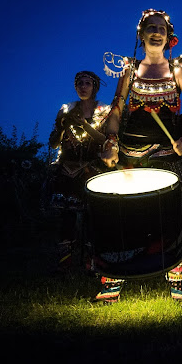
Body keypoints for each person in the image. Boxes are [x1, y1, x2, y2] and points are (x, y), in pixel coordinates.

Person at [96, 9, 182, 304]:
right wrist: (112, 141)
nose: (157, 32)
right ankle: (113, 280)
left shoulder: (179, 70)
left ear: (169, 36)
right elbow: (116, 110)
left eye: (162, 29)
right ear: (140, 34)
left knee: (170, 216)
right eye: (151, 28)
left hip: (168, 153)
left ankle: (176, 281)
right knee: (123, 214)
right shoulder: (129, 69)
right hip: (132, 151)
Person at [47, 71, 110, 273]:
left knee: (94, 216)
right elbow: (53, 142)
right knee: (67, 216)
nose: (83, 87)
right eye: (79, 84)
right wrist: (61, 126)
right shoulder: (66, 110)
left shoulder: (103, 110)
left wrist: (83, 124)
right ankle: (65, 262)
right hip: (67, 169)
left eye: (87, 83)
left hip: (91, 168)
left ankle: (91, 262)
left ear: (94, 87)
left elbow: (105, 139)